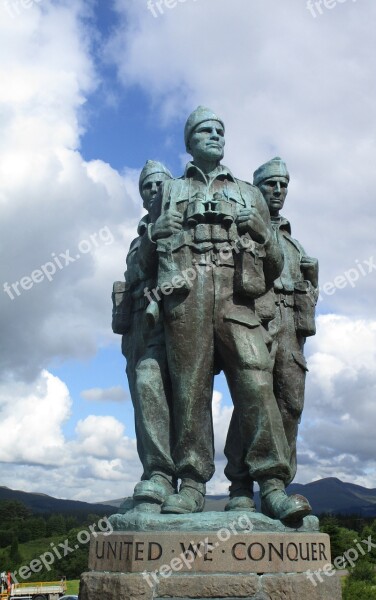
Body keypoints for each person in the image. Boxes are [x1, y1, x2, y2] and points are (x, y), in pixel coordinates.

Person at [138, 107, 311, 522]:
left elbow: (271, 269)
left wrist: (265, 235)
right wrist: (154, 238)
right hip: (186, 295)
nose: (215, 135)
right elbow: (148, 263)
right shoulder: (171, 190)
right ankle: (193, 481)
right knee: (189, 388)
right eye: (204, 130)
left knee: (256, 382)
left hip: (238, 297)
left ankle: (270, 482)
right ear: (189, 141)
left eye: (220, 130)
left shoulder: (251, 194)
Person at [224, 157, 318, 514]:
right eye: (270, 185)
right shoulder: (243, 228)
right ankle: (241, 485)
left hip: (292, 330)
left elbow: (309, 292)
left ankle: (280, 487)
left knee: (290, 406)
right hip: (257, 323)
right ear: (256, 189)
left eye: (283, 185)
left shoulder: (295, 247)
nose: (278, 191)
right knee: (252, 401)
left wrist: (313, 284)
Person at [114, 160, 177, 509]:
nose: (153, 191)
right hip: (137, 324)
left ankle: (166, 474)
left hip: (171, 321)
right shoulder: (140, 239)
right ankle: (154, 476)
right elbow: (136, 270)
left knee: (156, 386)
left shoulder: (179, 224)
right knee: (143, 403)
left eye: (158, 185)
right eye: (146, 187)